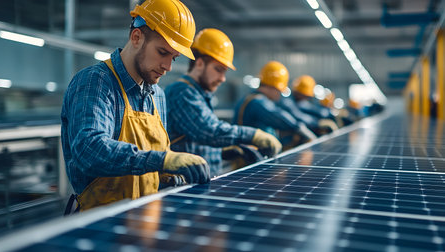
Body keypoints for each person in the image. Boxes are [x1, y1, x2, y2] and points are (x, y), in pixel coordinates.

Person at [61, 0, 210, 212]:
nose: (167, 67)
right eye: (162, 52)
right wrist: (163, 160)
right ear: (137, 37)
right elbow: (89, 150)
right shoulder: (96, 82)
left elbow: (158, 159)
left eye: (174, 58)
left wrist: (171, 172)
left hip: (146, 220)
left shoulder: (157, 95)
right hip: (99, 224)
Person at [165, 28, 282, 176]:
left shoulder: (199, 94)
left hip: (199, 185)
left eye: (224, 72)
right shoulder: (182, 92)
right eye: (219, 69)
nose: (222, 78)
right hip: (184, 190)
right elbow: (210, 131)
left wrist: (223, 152)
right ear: (199, 63)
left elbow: (194, 141)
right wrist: (254, 135)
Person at [233, 61, 317, 150]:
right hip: (248, 159)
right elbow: (278, 117)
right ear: (273, 87)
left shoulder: (253, 98)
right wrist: (300, 128)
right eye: (279, 91)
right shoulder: (257, 102)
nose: (279, 95)